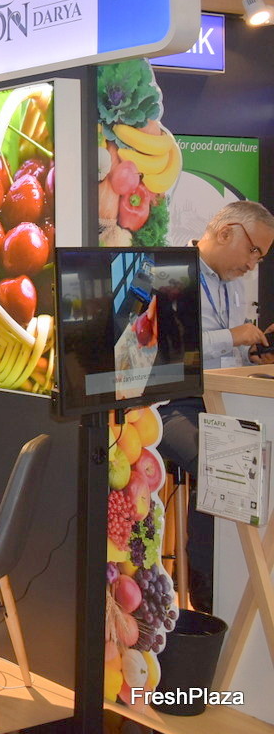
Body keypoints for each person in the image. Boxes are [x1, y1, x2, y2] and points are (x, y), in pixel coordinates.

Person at [158, 200, 274, 612]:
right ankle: (209, 593)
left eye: (261, 256)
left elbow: (228, 354)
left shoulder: (233, 283)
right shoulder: (169, 271)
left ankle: (241, 580)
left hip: (221, 400)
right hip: (174, 405)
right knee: (223, 463)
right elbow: (167, 349)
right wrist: (233, 337)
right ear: (226, 232)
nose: (253, 264)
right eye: (253, 251)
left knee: (254, 457)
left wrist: (251, 354)